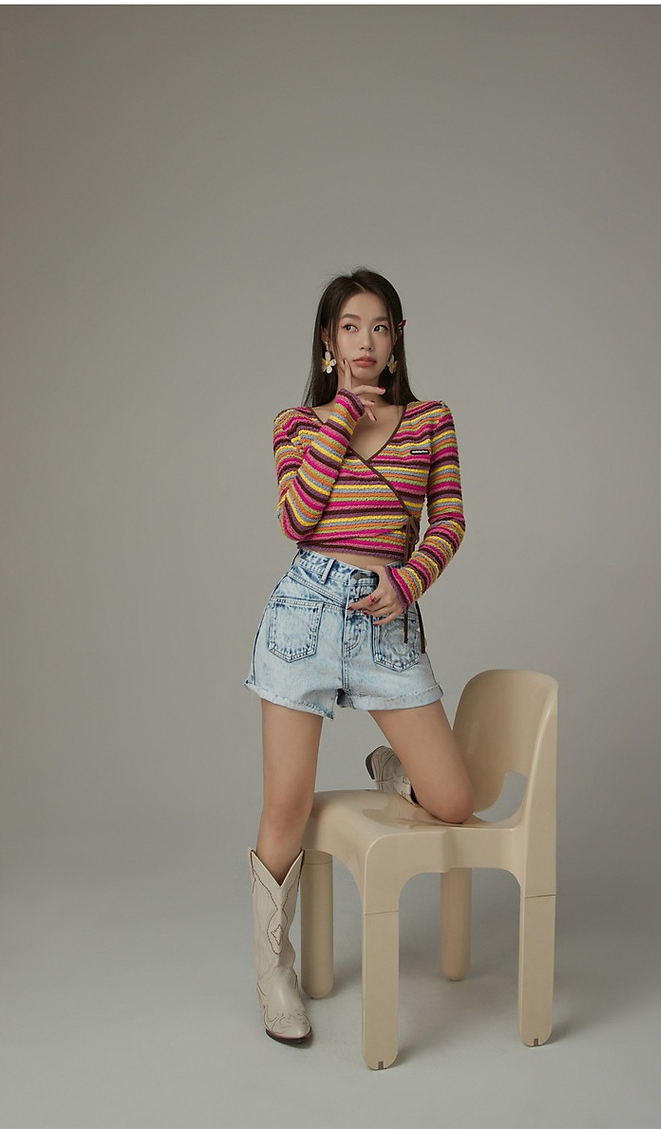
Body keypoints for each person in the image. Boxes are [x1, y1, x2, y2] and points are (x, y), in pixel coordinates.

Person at [243, 267, 474, 1046]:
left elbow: (449, 521)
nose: (365, 341)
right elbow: (299, 516)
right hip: (305, 615)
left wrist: (408, 581)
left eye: (379, 326)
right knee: (286, 805)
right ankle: (273, 972)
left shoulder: (431, 420)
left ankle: (391, 766)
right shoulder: (296, 424)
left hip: (387, 623)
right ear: (328, 341)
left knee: (452, 799)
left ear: (397, 338)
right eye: (350, 327)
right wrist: (342, 414)